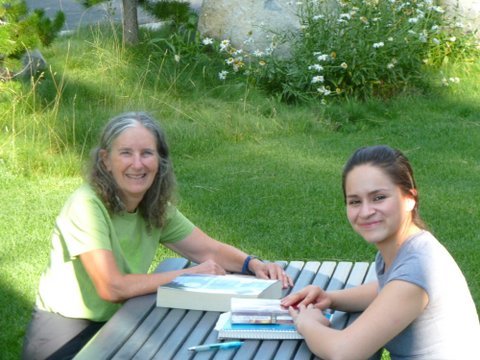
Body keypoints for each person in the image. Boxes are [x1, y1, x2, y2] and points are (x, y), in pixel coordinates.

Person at [22, 111, 292, 360]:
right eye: (126, 153)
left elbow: (208, 250)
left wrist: (253, 264)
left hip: (121, 319)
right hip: (65, 332)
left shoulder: (153, 205)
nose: (137, 164)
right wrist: (187, 275)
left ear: (159, 160)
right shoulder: (86, 205)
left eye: (147, 153)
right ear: (105, 160)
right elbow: (112, 286)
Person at [282, 145, 479, 359]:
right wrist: (330, 298)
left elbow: (343, 352)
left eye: (379, 198)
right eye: (355, 201)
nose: (366, 212)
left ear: (410, 199)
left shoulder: (419, 267)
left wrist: (306, 323)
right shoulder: (407, 249)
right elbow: (385, 290)